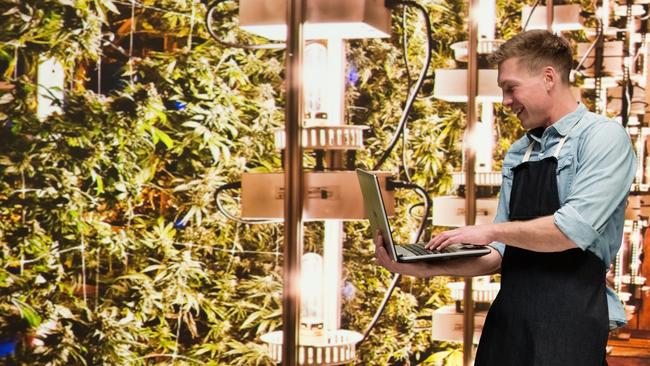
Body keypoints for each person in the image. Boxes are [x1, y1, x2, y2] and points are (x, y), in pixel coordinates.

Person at [374, 30, 636, 365]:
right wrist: (428, 268)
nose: (505, 101)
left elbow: (572, 231)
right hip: (509, 324)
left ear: (548, 78)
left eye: (510, 88)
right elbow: (498, 256)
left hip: (569, 327)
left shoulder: (602, 138)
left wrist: (491, 231)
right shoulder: (519, 153)